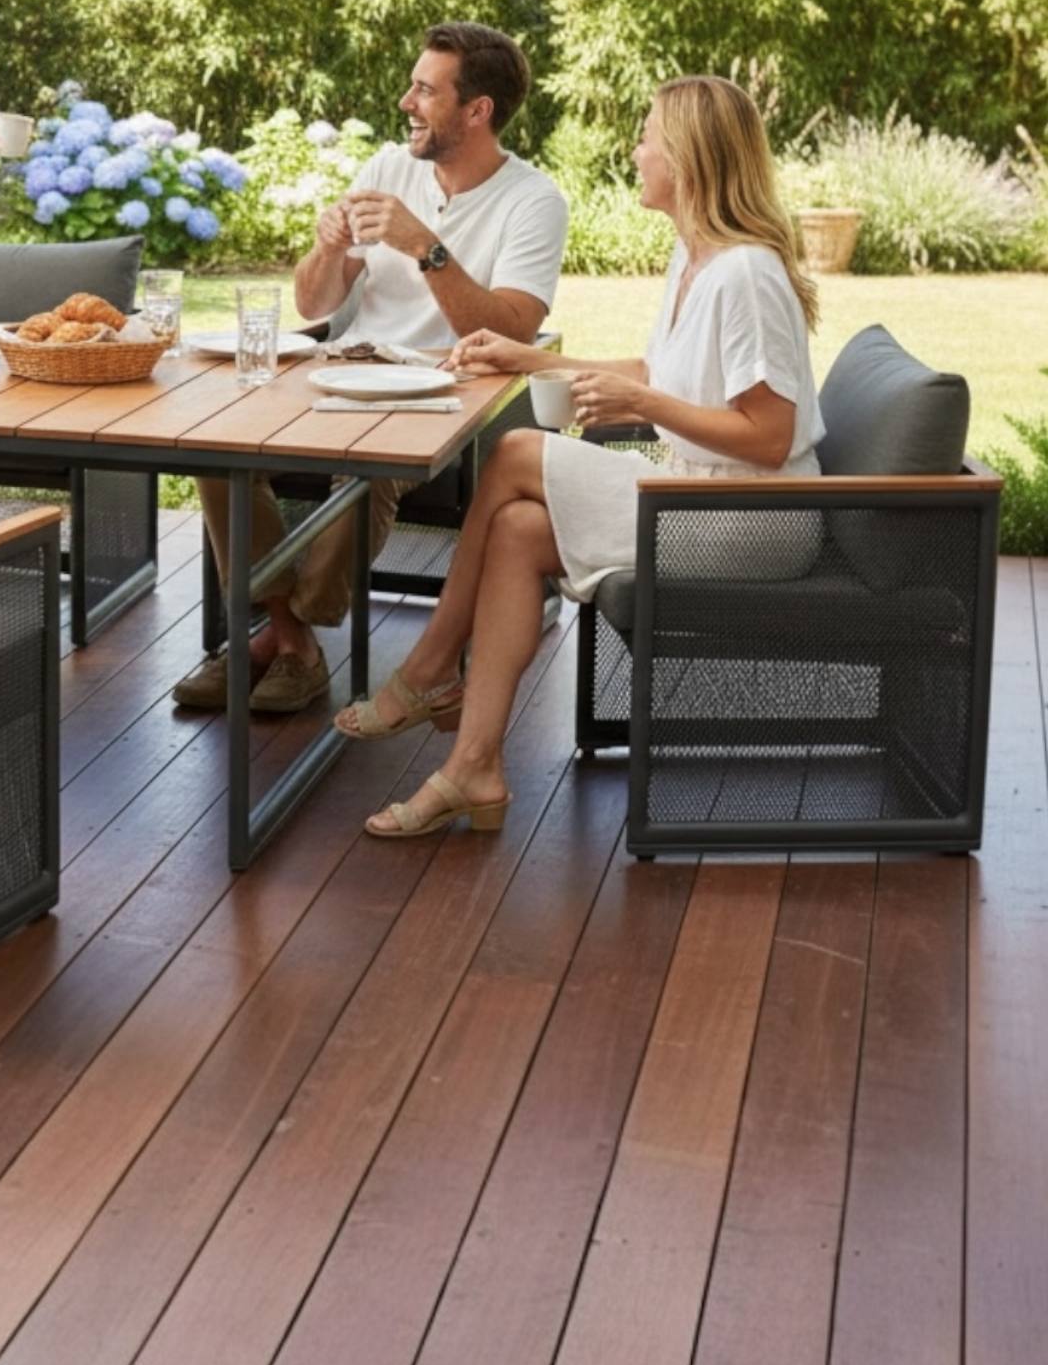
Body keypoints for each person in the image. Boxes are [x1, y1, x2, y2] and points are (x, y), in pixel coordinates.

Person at [344, 73, 823, 838]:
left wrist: (642, 407)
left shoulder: (746, 274)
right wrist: (528, 358)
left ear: (688, 159)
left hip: (752, 517)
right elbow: (656, 372)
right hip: (696, 492)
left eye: (647, 138)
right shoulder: (696, 256)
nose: (635, 153)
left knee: (515, 453)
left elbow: (768, 436)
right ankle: (474, 768)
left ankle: (430, 668)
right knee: (515, 531)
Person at [173, 21, 569, 714]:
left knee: (371, 467)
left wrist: (427, 248)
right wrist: (327, 250)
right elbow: (314, 304)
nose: (406, 102)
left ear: (477, 111)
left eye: (426, 91)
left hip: (443, 395)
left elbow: (512, 330)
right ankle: (291, 637)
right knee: (214, 441)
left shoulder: (534, 200)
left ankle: (281, 637)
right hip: (343, 369)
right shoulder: (387, 167)